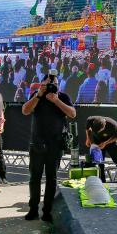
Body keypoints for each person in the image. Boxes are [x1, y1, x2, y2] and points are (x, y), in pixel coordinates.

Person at [22, 70, 76, 222]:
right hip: (37, 143)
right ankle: (33, 209)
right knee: (35, 178)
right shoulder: (36, 95)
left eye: (56, 84)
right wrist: (39, 95)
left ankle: (47, 211)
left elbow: (72, 114)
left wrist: (56, 101)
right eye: (49, 84)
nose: (53, 86)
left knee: (52, 178)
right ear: (43, 84)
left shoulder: (63, 97)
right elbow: (25, 110)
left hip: (56, 144)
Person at [84, 115, 117, 183]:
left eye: (100, 130)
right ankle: (102, 181)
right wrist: (88, 139)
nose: (99, 132)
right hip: (98, 141)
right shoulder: (90, 120)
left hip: (112, 142)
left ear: (105, 124)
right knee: (99, 162)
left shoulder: (113, 124)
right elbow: (87, 129)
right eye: (96, 131)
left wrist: (105, 143)